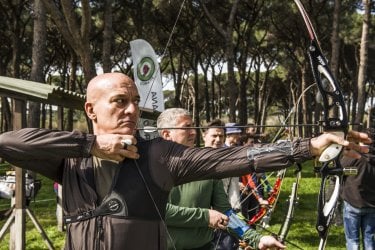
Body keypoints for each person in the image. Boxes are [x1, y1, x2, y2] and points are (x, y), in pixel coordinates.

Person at [0, 72, 370, 250]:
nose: (132, 110)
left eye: (134, 101)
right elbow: (9, 143)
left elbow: (238, 158)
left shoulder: (159, 154)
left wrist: (309, 146)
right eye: (119, 101)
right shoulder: (71, 159)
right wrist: (90, 145)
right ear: (91, 109)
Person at [159, 111, 235, 250]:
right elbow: (157, 209)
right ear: (166, 134)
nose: (193, 132)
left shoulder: (208, 166)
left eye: (193, 127)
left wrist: (256, 238)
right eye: (186, 127)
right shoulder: (149, 166)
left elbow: (225, 211)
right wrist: (205, 216)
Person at [340, 128, 375, 250]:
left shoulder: (352, 156)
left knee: (352, 240)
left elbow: (340, 172)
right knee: (369, 238)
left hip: (352, 204)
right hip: (371, 206)